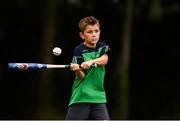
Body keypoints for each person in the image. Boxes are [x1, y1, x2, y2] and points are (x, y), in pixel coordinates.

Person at [66, 16, 110, 120]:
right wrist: (77, 69)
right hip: (81, 97)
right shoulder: (79, 49)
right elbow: (81, 76)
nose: (94, 34)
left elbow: (104, 60)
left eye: (96, 31)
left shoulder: (101, 46)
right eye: (90, 32)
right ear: (82, 35)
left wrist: (91, 61)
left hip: (99, 97)